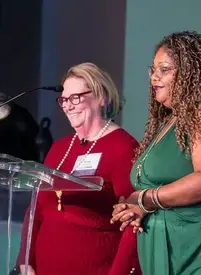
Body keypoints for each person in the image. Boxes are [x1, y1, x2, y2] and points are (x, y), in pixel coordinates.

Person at [111, 31, 201, 275]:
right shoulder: (172, 121)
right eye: (153, 70)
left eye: (165, 69)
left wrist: (146, 199)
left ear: (192, 72)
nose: (154, 78)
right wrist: (136, 207)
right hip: (174, 247)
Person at [16, 62, 141, 274]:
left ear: (101, 96)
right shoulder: (59, 148)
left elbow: (131, 222)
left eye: (75, 98)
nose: (67, 106)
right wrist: (25, 260)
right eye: (64, 100)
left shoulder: (123, 147)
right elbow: (35, 210)